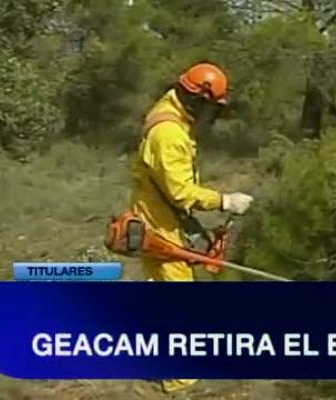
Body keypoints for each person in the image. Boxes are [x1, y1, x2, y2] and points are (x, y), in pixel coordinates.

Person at [129, 62, 254, 394]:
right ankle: (178, 377)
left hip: (162, 219)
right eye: (212, 107)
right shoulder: (169, 133)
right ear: (197, 99)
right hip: (159, 228)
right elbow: (180, 191)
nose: (212, 115)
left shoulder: (170, 112)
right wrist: (225, 201)